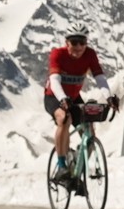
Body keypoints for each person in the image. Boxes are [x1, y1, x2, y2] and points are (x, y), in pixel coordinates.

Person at [45, 24, 118, 183]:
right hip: (54, 96)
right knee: (64, 119)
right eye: (74, 42)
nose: (78, 47)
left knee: (90, 134)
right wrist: (63, 99)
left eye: (82, 42)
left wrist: (109, 97)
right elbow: (55, 81)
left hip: (73, 97)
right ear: (67, 42)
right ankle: (62, 165)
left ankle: (76, 164)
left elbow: (99, 77)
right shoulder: (58, 54)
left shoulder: (90, 54)